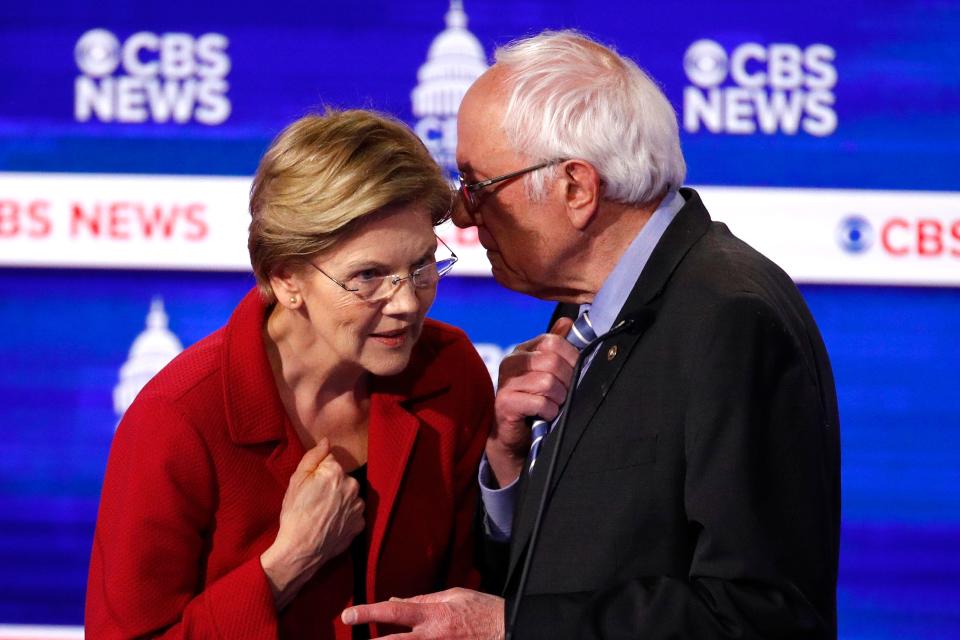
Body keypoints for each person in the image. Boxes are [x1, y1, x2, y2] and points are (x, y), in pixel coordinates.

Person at [342, 30, 840, 639]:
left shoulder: (729, 320)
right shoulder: (582, 313)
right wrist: (507, 460)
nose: (464, 213)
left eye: (478, 184)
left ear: (576, 188)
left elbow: (760, 616)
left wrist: (508, 630)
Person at [85, 109, 494, 639]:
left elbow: (476, 588)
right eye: (368, 276)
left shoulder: (449, 372)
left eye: (420, 267)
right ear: (285, 279)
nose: (407, 303)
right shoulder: (178, 421)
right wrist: (287, 563)